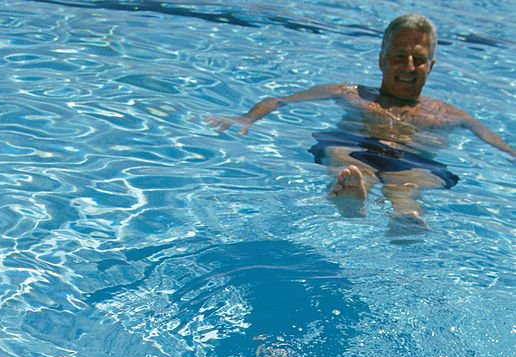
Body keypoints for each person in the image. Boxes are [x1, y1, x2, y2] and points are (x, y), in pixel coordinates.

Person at [208, 13, 515, 224]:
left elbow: (492, 139)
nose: (409, 67)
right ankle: (353, 196)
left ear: (430, 66)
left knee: (409, 184)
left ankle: (406, 217)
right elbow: (282, 100)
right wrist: (247, 118)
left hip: (412, 160)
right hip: (355, 145)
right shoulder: (350, 94)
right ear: (382, 60)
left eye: (418, 60)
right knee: (344, 157)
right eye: (399, 57)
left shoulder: (448, 114)